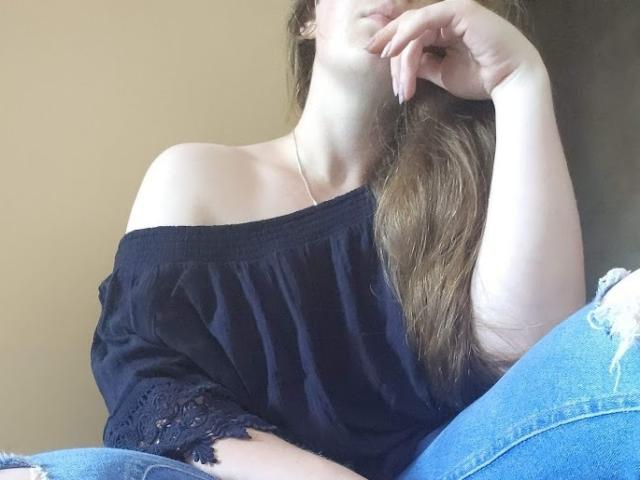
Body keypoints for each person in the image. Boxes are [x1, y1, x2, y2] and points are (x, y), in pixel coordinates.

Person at [2, 0, 639, 479]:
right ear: (309, 19)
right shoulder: (195, 176)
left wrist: (520, 82)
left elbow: (540, 369)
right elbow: (148, 389)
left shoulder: (468, 193)